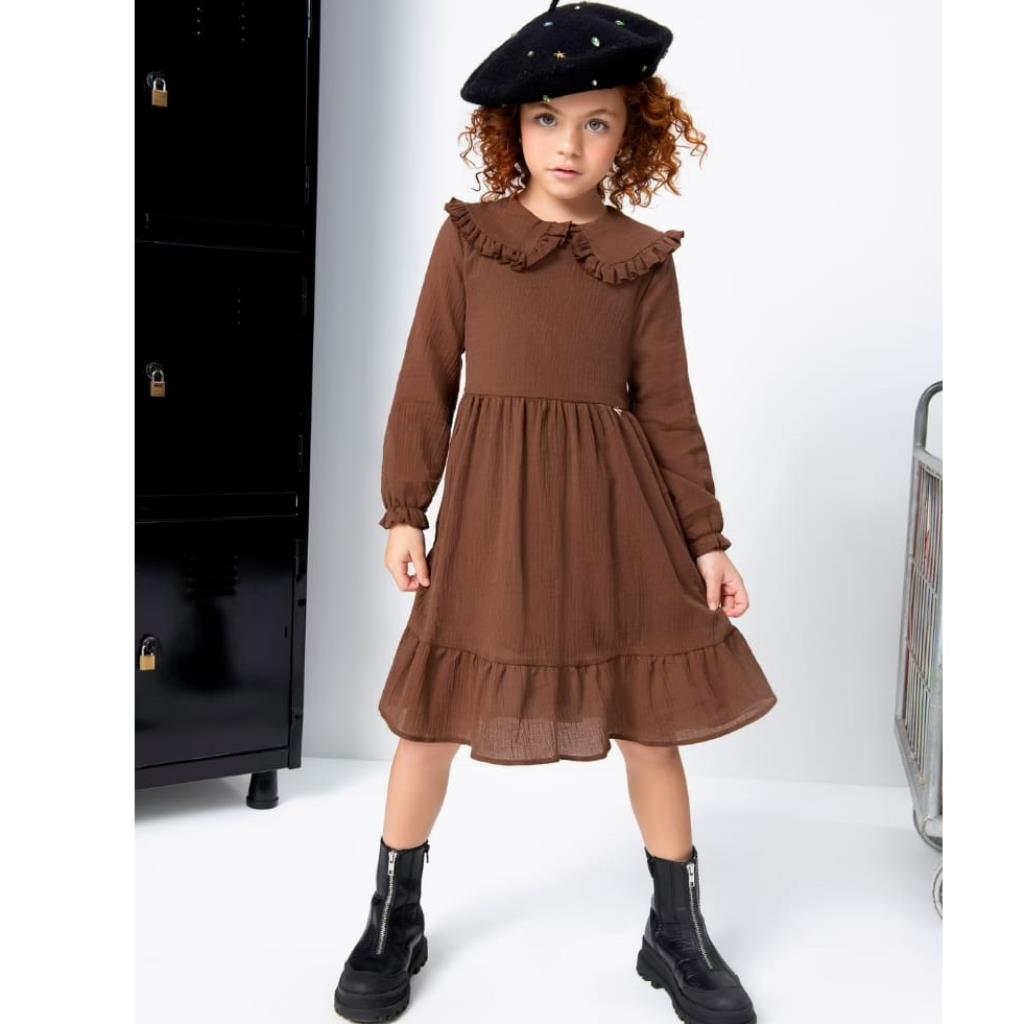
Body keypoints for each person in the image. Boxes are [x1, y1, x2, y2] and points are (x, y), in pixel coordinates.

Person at [334, 3, 779, 1022]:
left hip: (621, 523)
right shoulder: (470, 240)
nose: (568, 144)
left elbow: (669, 410)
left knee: (649, 725)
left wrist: (707, 541)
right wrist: (404, 510)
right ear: (512, 128)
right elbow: (424, 380)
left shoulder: (641, 258)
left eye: (595, 122)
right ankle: (394, 915)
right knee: (432, 717)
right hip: (492, 518)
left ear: (632, 135)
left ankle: (676, 932)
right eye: (546, 119)